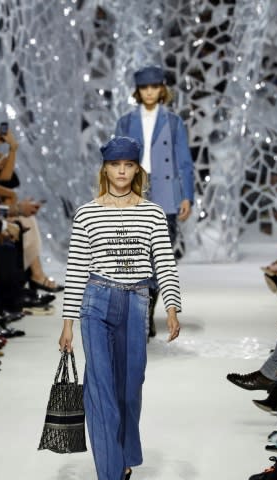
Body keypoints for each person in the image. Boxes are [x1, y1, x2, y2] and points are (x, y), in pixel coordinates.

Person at [58, 136, 182, 480]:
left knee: (130, 388)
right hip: (96, 301)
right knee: (100, 387)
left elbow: (164, 263)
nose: (122, 171)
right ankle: (110, 472)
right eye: (115, 165)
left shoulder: (153, 213)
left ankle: (125, 455)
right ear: (105, 169)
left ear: (137, 169)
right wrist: (67, 322)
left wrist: (172, 306)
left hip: (137, 302)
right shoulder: (87, 213)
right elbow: (77, 268)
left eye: (128, 165)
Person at [115, 65, 193, 336]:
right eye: (145, 88)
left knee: (159, 257)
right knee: (132, 256)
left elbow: (184, 163)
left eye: (154, 87)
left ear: (162, 89)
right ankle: (138, 314)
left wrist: (187, 196)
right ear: (138, 91)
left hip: (165, 197)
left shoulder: (173, 122)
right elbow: (114, 161)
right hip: (133, 192)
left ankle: (146, 314)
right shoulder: (126, 121)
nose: (149, 92)